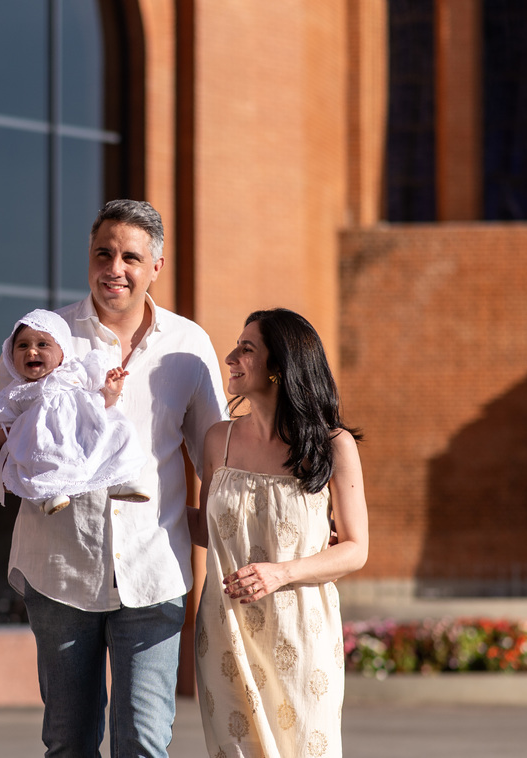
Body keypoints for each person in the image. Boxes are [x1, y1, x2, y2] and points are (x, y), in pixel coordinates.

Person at [0, 199, 226, 758]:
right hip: (59, 569)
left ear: (155, 266)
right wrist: (3, 465)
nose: (115, 268)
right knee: (68, 743)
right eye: (103, 253)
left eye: (131, 257)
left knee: (142, 741)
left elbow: (220, 461)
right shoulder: (42, 339)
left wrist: (287, 520)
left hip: (155, 568)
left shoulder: (188, 346)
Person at [188, 308, 368, 758]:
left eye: (246, 349)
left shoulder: (332, 445)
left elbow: (355, 549)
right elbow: (207, 532)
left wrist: (280, 572)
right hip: (225, 632)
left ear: (279, 367)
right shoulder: (219, 440)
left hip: (300, 633)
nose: (231, 357)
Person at [0, 308, 149, 515]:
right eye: (22, 346)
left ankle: (121, 480)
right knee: (31, 458)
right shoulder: (19, 393)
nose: (32, 351)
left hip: (82, 434)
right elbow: (7, 430)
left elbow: (101, 402)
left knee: (120, 429)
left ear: (63, 351)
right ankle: (46, 496)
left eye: (42, 344)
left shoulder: (77, 373)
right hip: (45, 440)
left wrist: (111, 391)